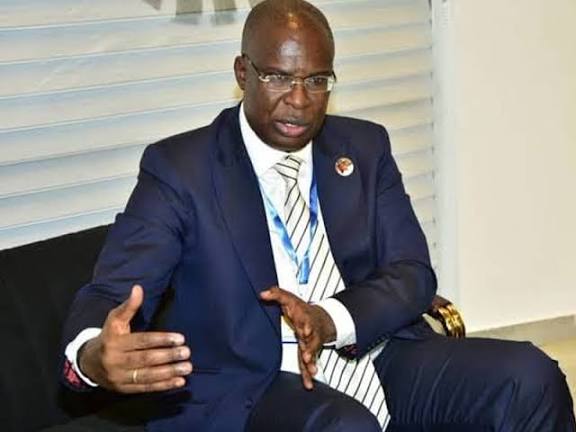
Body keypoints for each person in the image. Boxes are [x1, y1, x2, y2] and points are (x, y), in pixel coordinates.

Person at [60, 1, 575, 431]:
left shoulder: (364, 148)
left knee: (529, 375)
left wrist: (330, 320)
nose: (300, 100)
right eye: (278, 77)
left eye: (317, 80)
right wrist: (92, 356)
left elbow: (413, 274)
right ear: (243, 73)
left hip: (370, 350)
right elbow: (110, 293)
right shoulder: (181, 169)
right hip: (253, 385)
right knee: (344, 427)